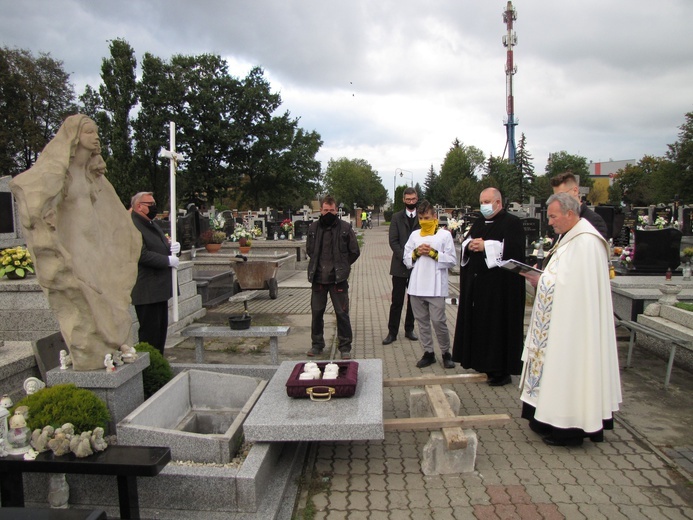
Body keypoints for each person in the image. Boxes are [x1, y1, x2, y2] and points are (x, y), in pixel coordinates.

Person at [519, 192, 622, 446]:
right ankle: (547, 419)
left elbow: (574, 286)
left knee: (572, 372)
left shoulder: (586, 242)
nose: (550, 222)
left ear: (569, 213)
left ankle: (570, 429)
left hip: (575, 328)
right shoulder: (571, 238)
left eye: (553, 217)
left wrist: (540, 279)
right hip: (563, 322)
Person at [451, 187, 526, 386]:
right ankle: (482, 364)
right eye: (481, 202)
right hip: (479, 288)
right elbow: (467, 241)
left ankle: (501, 371)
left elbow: (515, 252)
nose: (483, 206)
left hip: (500, 290)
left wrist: (487, 247)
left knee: (497, 328)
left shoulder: (512, 223)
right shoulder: (479, 222)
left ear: (498, 203)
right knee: (481, 326)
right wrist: (469, 246)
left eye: (487, 202)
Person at [403, 200, 457, 369]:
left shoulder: (444, 235)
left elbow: (452, 260)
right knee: (422, 321)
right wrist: (416, 253)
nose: (423, 221)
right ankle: (428, 353)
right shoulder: (415, 235)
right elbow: (406, 259)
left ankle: (446, 352)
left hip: (435, 287)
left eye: (426, 217)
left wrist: (434, 254)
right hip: (417, 285)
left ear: (434, 216)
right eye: (420, 218)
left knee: (438, 321)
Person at [306, 195, 360, 359]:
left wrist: (343, 265)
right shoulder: (313, 228)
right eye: (325, 210)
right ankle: (317, 344)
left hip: (338, 279)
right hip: (318, 278)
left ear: (336, 210)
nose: (328, 212)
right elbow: (309, 250)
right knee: (317, 313)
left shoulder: (345, 227)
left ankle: (345, 347)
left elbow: (354, 251)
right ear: (320, 210)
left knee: (342, 313)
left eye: (332, 210)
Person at [131, 191, 181, 356]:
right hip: (147, 289)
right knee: (150, 335)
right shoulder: (133, 225)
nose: (154, 207)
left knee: (160, 333)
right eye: (150, 204)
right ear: (139, 206)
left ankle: (158, 362)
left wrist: (172, 249)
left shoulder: (151, 223)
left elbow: (161, 245)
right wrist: (167, 260)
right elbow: (141, 254)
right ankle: (149, 369)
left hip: (158, 289)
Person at [383, 187, 420, 345]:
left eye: (413, 199)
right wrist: (405, 257)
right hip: (399, 265)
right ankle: (392, 332)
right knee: (397, 301)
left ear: (416, 199)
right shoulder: (396, 217)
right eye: (408, 199)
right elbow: (393, 240)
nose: (411, 202)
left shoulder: (422, 216)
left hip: (417, 265)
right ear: (404, 200)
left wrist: (415, 257)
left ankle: (409, 329)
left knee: (413, 300)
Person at [550, 171, 609, 240]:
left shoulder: (594, 220)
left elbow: (597, 248)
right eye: (556, 197)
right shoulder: (561, 219)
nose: (558, 200)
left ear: (575, 191)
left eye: (561, 195)